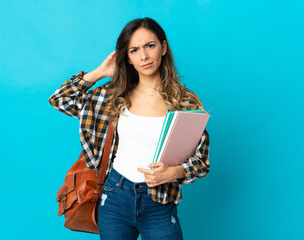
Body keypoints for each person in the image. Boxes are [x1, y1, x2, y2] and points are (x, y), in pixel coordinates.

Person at [49, 17, 210, 240]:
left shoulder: (184, 102)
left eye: (150, 46)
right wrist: (99, 72)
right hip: (115, 194)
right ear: (128, 57)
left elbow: (201, 161)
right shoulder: (111, 97)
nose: (143, 56)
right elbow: (60, 99)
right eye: (134, 50)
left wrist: (173, 172)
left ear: (163, 48)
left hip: (159, 201)